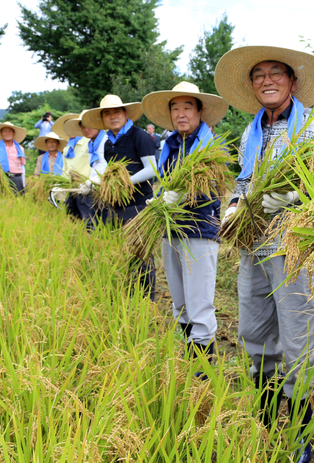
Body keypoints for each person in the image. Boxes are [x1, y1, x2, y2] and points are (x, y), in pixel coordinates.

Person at [214, 45, 314, 463]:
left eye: (275, 72)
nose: (267, 79)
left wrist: (296, 196)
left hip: (295, 247)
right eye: (259, 74)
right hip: (253, 245)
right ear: (252, 85)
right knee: (254, 331)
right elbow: (245, 181)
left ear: (292, 81)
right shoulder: (251, 131)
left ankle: (301, 438)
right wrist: (232, 207)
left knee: (299, 340)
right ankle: (263, 424)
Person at [142, 81, 229, 357]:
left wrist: (183, 193)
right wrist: (160, 199)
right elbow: (166, 182)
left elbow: (215, 187)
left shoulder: (210, 146)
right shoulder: (170, 145)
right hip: (171, 232)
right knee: (179, 303)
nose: (181, 114)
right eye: (175, 108)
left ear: (200, 111)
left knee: (199, 305)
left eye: (187, 107)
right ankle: (190, 364)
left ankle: (203, 376)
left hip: (200, 231)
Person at [82, 95, 157, 300]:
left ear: (125, 114)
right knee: (123, 253)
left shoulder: (139, 136)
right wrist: (97, 183)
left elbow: (153, 169)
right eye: (107, 113)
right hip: (116, 207)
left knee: (142, 254)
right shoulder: (108, 144)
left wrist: (127, 182)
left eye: (116, 112)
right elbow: (111, 173)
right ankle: (129, 297)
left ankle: (146, 302)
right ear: (103, 119)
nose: (113, 116)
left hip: (139, 205)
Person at [61, 110, 108, 227]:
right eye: (83, 127)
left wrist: (94, 181)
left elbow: (106, 165)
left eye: (89, 126)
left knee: (91, 220)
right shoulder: (90, 144)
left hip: (94, 187)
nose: (86, 129)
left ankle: (93, 241)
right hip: (81, 186)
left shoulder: (105, 141)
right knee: (73, 213)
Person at [0, 121, 27, 194]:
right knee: (0, 200)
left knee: (18, 201)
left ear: (13, 133)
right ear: (1, 133)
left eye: (10, 131)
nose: (7, 133)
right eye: (5, 131)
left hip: (17, 178)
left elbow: (22, 166)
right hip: (1, 178)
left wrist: (23, 184)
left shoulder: (20, 148)